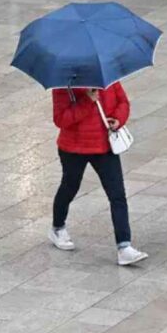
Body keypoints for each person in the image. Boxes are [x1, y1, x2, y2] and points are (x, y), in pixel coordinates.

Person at [50, 83, 148, 266]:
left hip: (104, 147)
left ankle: (124, 246)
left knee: (117, 195)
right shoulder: (65, 85)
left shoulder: (107, 80)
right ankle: (57, 227)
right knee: (70, 187)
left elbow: (123, 102)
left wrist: (118, 119)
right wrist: (87, 101)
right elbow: (61, 119)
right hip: (74, 148)